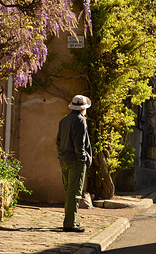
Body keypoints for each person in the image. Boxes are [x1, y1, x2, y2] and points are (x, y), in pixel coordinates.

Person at [56, 94, 92, 233]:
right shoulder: (80, 120)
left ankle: (71, 221)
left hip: (64, 159)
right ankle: (69, 224)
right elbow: (80, 144)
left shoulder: (64, 120)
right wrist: (83, 158)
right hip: (75, 161)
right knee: (75, 193)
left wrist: (60, 155)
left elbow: (58, 142)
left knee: (69, 191)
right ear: (83, 108)